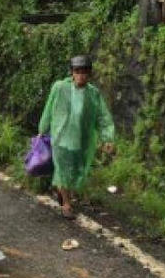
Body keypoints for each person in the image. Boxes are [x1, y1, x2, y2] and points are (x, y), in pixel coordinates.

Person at [38, 55, 116, 220]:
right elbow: (49, 108)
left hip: (81, 141)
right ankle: (66, 204)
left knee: (75, 172)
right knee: (63, 170)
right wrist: (42, 128)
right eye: (77, 71)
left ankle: (62, 191)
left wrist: (107, 137)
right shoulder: (60, 87)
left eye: (84, 72)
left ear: (89, 74)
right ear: (72, 72)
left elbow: (103, 117)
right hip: (60, 139)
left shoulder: (93, 94)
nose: (81, 75)